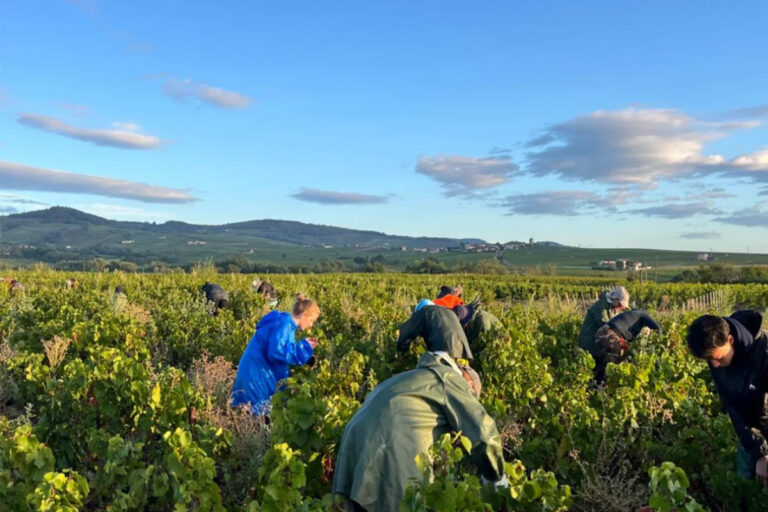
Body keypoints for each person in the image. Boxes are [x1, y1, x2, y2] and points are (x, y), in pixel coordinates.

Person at [332, 351, 506, 512]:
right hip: (392, 448)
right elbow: (482, 431)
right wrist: (496, 475)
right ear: (468, 381)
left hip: (355, 447)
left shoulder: (410, 377)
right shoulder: (451, 379)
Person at [687, 311, 768, 486]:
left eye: (718, 359)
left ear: (730, 340)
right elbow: (732, 405)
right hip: (750, 431)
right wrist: (760, 453)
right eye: (709, 360)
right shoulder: (715, 355)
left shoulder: (764, 353)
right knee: (745, 483)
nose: (714, 365)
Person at [230, 294, 320, 414]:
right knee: (258, 415)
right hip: (257, 373)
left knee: (256, 413)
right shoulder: (284, 324)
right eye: (311, 321)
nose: (311, 325)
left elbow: (284, 349)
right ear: (303, 315)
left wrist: (306, 355)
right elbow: (276, 352)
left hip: (257, 370)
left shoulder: (287, 325)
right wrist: (302, 349)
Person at [592, 309, 661, 384]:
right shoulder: (643, 315)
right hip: (610, 334)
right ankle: (601, 386)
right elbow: (658, 328)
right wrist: (658, 344)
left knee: (604, 361)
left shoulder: (632, 316)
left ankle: (594, 384)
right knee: (612, 362)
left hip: (602, 332)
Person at [397, 302, 473, 362]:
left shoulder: (424, 311)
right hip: (465, 352)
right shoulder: (448, 312)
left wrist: (402, 353)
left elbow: (406, 332)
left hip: (444, 351)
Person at [578, 286, 630, 356]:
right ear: (615, 299)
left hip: (598, 340)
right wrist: (619, 339)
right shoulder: (601, 307)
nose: (620, 307)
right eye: (620, 304)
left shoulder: (612, 306)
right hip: (589, 341)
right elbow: (606, 326)